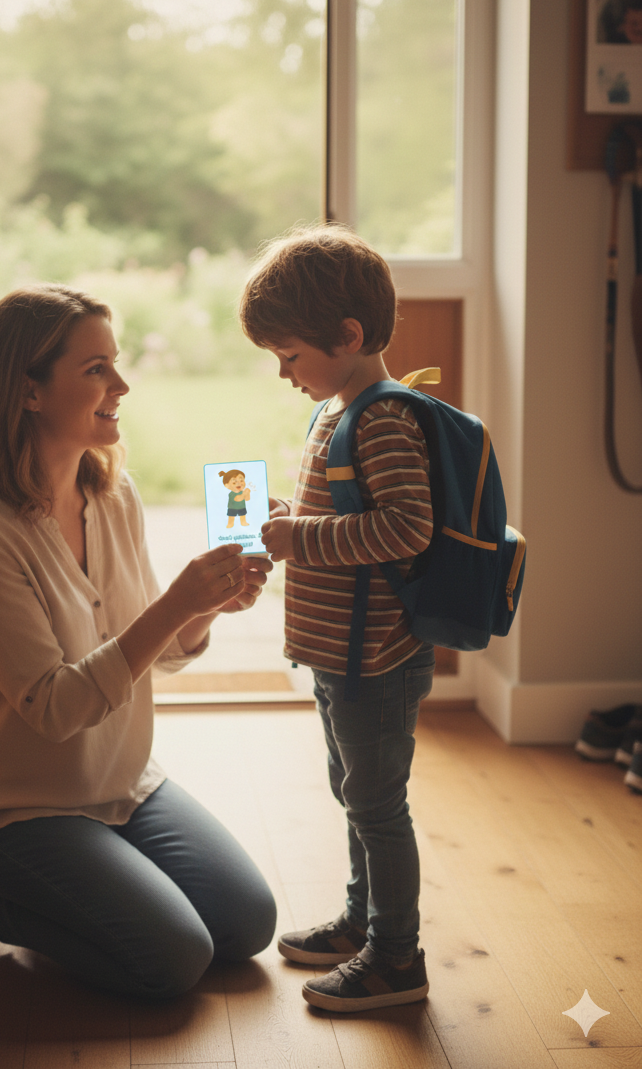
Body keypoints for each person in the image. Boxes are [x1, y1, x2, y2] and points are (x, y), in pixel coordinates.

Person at [0, 283, 277, 1000]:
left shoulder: (113, 495)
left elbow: (152, 652)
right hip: (3, 800)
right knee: (173, 959)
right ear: (28, 391)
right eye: (96, 369)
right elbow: (54, 707)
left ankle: (92, 865)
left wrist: (206, 609)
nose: (121, 384)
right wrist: (176, 601)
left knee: (246, 926)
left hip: (115, 779)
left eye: (114, 363)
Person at [238, 225, 434, 1014]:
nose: (284, 373)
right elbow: (352, 514)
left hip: (376, 659)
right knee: (354, 793)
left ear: (347, 337)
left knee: (379, 807)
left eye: (289, 355)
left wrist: (300, 537)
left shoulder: (382, 417)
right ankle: (363, 920)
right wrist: (296, 518)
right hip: (340, 656)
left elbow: (406, 527)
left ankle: (397, 958)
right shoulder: (337, 410)